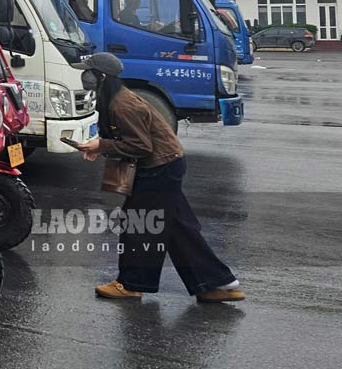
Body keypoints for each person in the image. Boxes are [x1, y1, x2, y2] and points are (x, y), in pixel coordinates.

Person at [72, 52, 245, 303]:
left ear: (100, 76)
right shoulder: (114, 98)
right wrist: (100, 147)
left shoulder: (122, 104)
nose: (83, 76)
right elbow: (128, 142)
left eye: (87, 71)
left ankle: (131, 284)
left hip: (160, 168)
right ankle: (215, 284)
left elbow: (141, 147)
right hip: (165, 164)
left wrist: (103, 145)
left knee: (139, 225)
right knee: (178, 229)